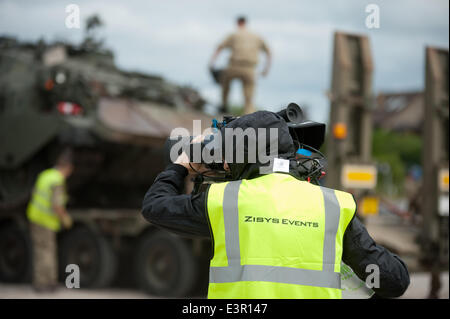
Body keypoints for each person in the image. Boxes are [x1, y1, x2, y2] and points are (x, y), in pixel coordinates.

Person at [142, 111, 410, 299]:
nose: (224, 164)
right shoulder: (334, 206)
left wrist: (181, 165)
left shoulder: (226, 201)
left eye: (228, 155)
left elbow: (155, 206)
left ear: (243, 158)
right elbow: (394, 280)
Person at [26, 149, 74, 291]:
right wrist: (65, 219)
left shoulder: (45, 175)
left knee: (41, 251)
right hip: (45, 220)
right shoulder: (57, 180)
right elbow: (57, 205)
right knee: (46, 252)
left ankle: (43, 282)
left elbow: (34, 194)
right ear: (68, 168)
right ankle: (45, 283)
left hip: (35, 216)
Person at [209, 16, 271, 115]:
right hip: (250, 68)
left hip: (234, 66)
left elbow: (219, 48)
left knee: (224, 82)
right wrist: (266, 69)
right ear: (245, 23)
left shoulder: (234, 35)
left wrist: (211, 63)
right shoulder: (256, 36)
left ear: (238, 23)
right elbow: (269, 52)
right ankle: (248, 115)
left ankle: (223, 106)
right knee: (249, 96)